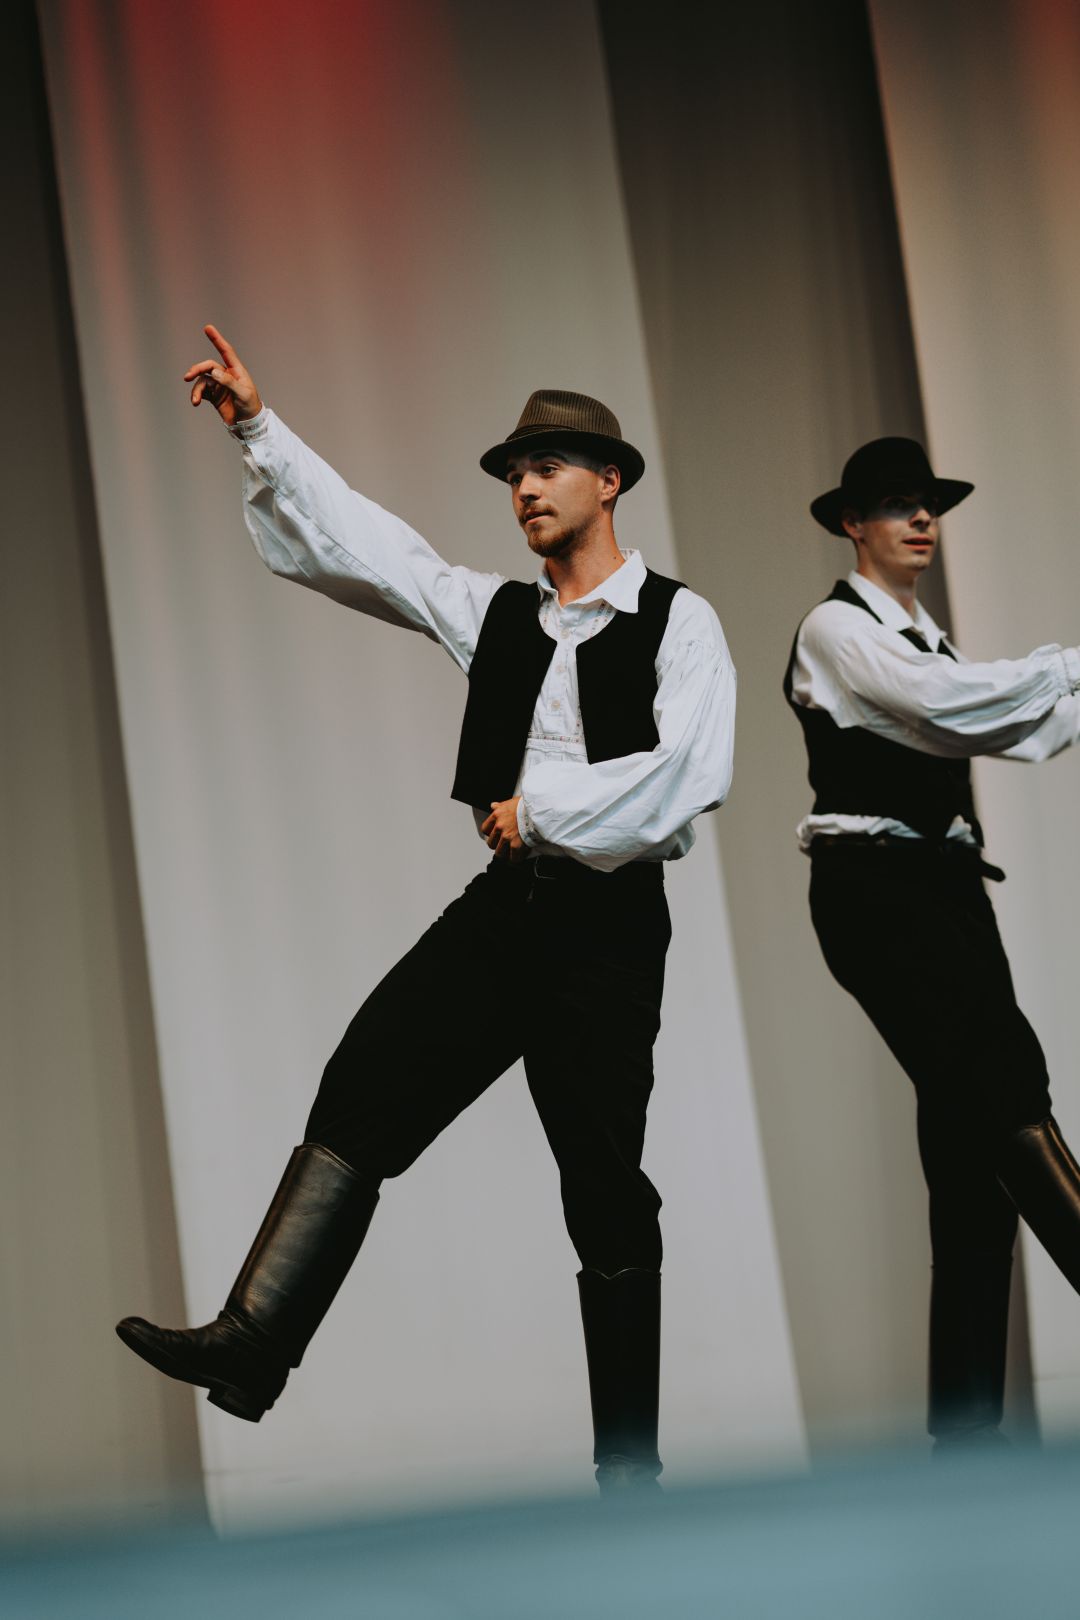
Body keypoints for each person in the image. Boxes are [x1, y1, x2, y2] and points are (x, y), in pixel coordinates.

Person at [116, 326, 736, 1493]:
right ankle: (254, 1341)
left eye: (548, 467)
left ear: (609, 481)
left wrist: (539, 807)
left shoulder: (678, 622)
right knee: (366, 1078)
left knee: (603, 1182)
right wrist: (257, 427)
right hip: (510, 913)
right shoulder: (493, 614)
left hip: (608, 930)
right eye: (514, 473)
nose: (525, 488)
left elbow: (687, 779)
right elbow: (369, 543)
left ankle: (629, 1470)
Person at [785, 434, 1080, 1451]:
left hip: (945, 889)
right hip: (878, 893)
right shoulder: (836, 630)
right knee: (1006, 1083)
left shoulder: (930, 640)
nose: (921, 520)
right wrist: (1068, 665)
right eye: (896, 505)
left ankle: (964, 1444)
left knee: (969, 1153)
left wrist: (1067, 690)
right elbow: (945, 709)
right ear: (852, 523)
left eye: (929, 505)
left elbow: (1015, 727)